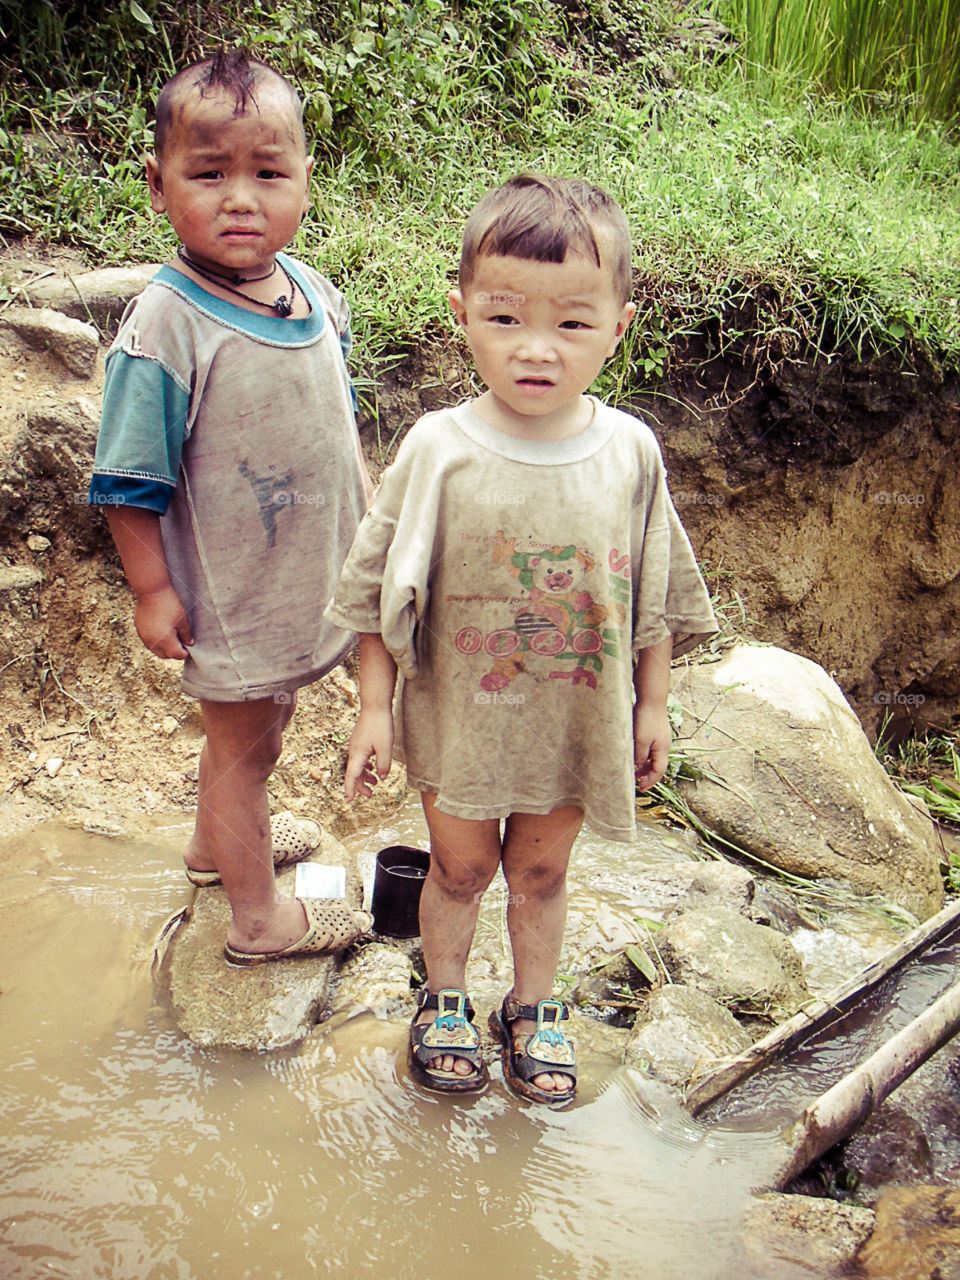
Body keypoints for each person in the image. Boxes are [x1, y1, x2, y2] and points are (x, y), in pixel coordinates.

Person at [325, 174, 718, 1102]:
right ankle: (448, 996)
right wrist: (373, 709)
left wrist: (653, 701)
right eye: (505, 318)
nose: (536, 349)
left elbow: (653, 592)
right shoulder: (438, 449)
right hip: (461, 718)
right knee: (459, 868)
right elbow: (381, 593)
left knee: (540, 872)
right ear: (461, 313)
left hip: (572, 723)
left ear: (619, 325)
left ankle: (534, 1006)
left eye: (572, 324)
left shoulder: (630, 452)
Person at [88, 50, 372, 966]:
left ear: (305, 180)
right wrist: (151, 593)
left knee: (265, 729)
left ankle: (216, 851)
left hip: (300, 577)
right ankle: (258, 921)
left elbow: (331, 424)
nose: (240, 199)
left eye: (267, 174)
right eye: (209, 175)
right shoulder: (167, 325)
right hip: (232, 591)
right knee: (244, 752)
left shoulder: (316, 295)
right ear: (159, 182)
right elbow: (128, 480)